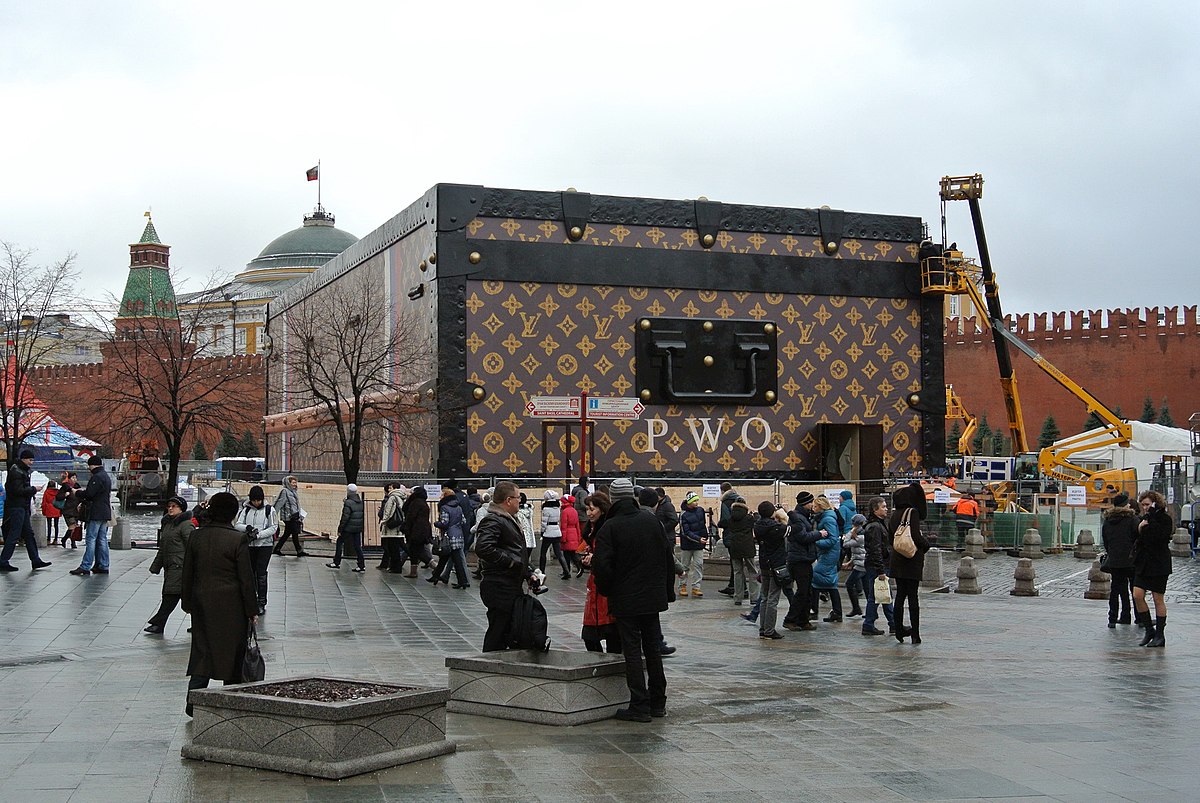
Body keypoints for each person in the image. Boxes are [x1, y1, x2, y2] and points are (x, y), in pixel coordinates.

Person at [591, 478, 675, 722]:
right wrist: (666, 591)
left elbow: (603, 566)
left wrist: (607, 590)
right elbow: (667, 557)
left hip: (626, 598)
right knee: (652, 649)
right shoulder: (651, 520)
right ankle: (658, 701)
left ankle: (639, 704)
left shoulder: (610, 526)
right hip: (652, 596)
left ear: (614, 499)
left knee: (632, 650)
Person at [181, 492, 258, 717]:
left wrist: (188, 602)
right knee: (233, 655)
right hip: (232, 606)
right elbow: (246, 578)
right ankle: (230, 702)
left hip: (202, 602)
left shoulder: (197, 537)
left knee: (202, 652)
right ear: (233, 514)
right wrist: (251, 610)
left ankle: (193, 701)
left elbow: (188, 573)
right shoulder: (237, 539)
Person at [475, 481, 542, 651]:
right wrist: (511, 562)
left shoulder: (508, 519)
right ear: (508, 500)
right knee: (498, 629)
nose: (520, 500)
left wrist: (527, 572)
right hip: (499, 585)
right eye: (518, 497)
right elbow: (483, 547)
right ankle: (489, 667)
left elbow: (514, 551)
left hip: (509, 583)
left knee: (508, 629)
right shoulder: (494, 520)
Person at [145, 495, 194, 633]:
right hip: (171, 567)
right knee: (186, 599)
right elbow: (163, 548)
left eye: (174, 506)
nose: (170, 509)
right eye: (169, 506)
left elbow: (192, 546)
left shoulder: (186, 525)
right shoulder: (168, 524)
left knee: (170, 596)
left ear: (181, 509)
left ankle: (158, 623)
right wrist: (156, 566)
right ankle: (199, 624)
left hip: (180, 567)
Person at [889, 482, 930, 644]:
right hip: (911, 559)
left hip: (897, 558)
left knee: (900, 596)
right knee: (913, 597)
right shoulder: (911, 512)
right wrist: (926, 546)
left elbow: (892, 536)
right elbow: (916, 536)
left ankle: (899, 630)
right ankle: (915, 634)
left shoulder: (894, 514)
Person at [579, 491, 620, 652]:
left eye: (592, 509)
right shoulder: (590, 529)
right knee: (590, 636)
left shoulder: (608, 528)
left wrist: (594, 558)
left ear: (602, 509)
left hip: (607, 587)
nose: (589, 513)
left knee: (611, 632)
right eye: (587, 509)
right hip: (594, 585)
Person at [1132, 490, 1173, 647]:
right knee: (1137, 594)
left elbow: (1160, 537)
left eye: (1148, 504)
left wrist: (1151, 520)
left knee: (1157, 598)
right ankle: (1149, 629)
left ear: (1155, 504)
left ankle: (1160, 635)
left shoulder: (1164, 519)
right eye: (1143, 505)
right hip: (1143, 563)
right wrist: (1140, 528)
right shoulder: (1143, 520)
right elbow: (1138, 540)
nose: (1145, 508)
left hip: (1159, 563)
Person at [0, 448, 52, 572]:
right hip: (17, 507)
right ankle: (3, 561)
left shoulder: (20, 470)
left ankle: (35, 560)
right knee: (15, 534)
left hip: (21, 506)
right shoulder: (17, 472)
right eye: (30, 460)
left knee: (28, 534)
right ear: (23, 459)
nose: (31, 462)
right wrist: (33, 489)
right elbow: (17, 491)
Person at [234, 485, 278, 615]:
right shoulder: (246, 510)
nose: (256, 503)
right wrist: (247, 528)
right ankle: (251, 599)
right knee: (250, 573)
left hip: (265, 545)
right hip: (250, 545)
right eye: (254, 500)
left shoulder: (270, 510)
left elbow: (273, 527)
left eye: (258, 500)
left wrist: (259, 535)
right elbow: (238, 524)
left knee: (261, 573)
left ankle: (261, 601)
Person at [67, 455, 113, 575]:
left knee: (91, 539)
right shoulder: (106, 476)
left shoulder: (96, 477)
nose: (89, 468)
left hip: (96, 512)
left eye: (89, 466)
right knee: (102, 539)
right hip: (105, 511)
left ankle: (85, 566)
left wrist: (77, 492)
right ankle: (103, 565)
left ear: (92, 465)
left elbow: (90, 494)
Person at [782, 491, 820, 631]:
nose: (812, 505)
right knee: (802, 591)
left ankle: (803, 620)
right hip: (798, 559)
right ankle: (790, 619)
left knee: (807, 591)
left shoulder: (803, 516)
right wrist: (818, 534)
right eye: (811, 503)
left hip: (805, 558)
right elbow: (802, 537)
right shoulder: (797, 518)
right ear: (805, 503)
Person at [753, 503, 789, 639]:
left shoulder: (758, 525)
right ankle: (769, 630)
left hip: (764, 563)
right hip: (776, 565)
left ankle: (763, 628)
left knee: (764, 597)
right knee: (773, 598)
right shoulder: (775, 528)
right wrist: (785, 514)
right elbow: (792, 529)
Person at [1101, 492, 1137, 628]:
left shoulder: (1108, 520)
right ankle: (1136, 617)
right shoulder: (1132, 519)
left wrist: (1112, 552)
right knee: (1135, 590)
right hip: (1131, 560)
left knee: (1116, 590)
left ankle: (1112, 618)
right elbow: (1136, 537)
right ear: (1125, 505)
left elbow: (1105, 540)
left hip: (1115, 560)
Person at [861, 497, 895, 636]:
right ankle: (870, 624)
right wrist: (881, 570)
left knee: (883, 596)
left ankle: (892, 624)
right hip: (876, 567)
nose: (886, 509)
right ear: (875, 510)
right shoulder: (875, 526)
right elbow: (875, 550)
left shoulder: (878, 524)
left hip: (878, 565)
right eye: (883, 507)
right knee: (878, 596)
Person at [812, 496, 844, 622]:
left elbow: (832, 539)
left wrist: (816, 540)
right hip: (828, 553)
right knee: (831, 583)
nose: (813, 509)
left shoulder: (828, 519)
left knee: (814, 577)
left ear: (821, 507)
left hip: (829, 554)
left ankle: (813, 610)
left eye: (815, 506)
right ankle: (837, 612)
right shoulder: (826, 517)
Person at [431, 484, 469, 588]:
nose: (440, 497)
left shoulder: (444, 508)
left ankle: (462, 582)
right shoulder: (458, 507)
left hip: (448, 536)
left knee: (454, 560)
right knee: (450, 559)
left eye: (442, 495)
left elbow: (444, 523)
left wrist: (436, 523)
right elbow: (464, 521)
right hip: (458, 536)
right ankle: (436, 576)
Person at [725, 496, 758, 607]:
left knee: (737, 572)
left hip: (735, 547)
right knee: (752, 571)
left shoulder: (731, 519)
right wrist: (755, 514)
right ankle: (754, 597)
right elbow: (756, 522)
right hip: (747, 546)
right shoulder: (749, 518)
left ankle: (737, 597)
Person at [327, 484, 366, 572]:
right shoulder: (360, 501)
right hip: (357, 527)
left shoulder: (348, 502)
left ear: (348, 491)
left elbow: (345, 517)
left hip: (348, 527)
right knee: (357, 546)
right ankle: (361, 565)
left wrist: (340, 529)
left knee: (340, 542)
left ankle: (336, 562)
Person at [678, 492, 707, 597]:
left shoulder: (700, 510)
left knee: (699, 565)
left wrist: (704, 538)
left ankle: (696, 587)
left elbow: (703, 525)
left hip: (699, 543)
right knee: (684, 566)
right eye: (694, 500)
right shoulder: (684, 514)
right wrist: (699, 539)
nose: (696, 502)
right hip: (688, 544)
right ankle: (682, 586)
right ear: (689, 502)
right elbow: (685, 532)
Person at [271, 476, 307, 557]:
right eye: (293, 482)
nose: (295, 484)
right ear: (288, 483)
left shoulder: (294, 491)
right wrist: (273, 514)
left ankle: (277, 549)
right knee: (294, 533)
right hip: (289, 517)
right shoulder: (285, 491)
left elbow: (296, 505)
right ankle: (299, 550)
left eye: (295, 482)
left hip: (294, 516)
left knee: (287, 533)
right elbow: (279, 503)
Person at [402, 487, 433, 577]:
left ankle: (436, 567)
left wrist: (406, 529)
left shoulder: (415, 503)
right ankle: (413, 571)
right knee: (415, 551)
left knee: (417, 551)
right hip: (423, 531)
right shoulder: (424, 503)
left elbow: (411, 517)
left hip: (415, 531)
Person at [537, 489, 569, 578]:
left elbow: (544, 522)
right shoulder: (557, 508)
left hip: (548, 532)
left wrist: (542, 531)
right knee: (559, 553)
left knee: (543, 553)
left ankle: (541, 572)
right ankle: (566, 571)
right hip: (556, 530)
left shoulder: (546, 508)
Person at [379, 483, 409, 573]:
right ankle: (396, 566)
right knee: (397, 547)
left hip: (391, 527)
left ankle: (395, 567)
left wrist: (383, 521)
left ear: (395, 488)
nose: (389, 489)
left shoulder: (392, 498)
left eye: (390, 488)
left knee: (393, 548)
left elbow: (388, 512)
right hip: (399, 526)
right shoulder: (403, 497)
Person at [843, 513, 867, 618]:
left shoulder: (860, 536)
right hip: (862, 564)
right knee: (867, 589)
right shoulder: (861, 535)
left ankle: (856, 608)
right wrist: (851, 561)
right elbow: (858, 552)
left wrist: (850, 531)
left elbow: (845, 543)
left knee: (849, 584)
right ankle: (869, 612)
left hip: (861, 566)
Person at [716, 482, 739, 595]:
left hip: (730, 534)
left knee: (734, 563)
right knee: (737, 562)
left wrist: (719, 524)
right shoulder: (739, 499)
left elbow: (725, 520)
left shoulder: (725, 502)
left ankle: (736, 587)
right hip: (740, 535)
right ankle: (733, 585)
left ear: (722, 491)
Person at [559, 494, 583, 578]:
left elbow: (563, 526)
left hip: (567, 535)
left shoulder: (565, 512)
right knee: (573, 553)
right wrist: (578, 536)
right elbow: (577, 525)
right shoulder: (574, 511)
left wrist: (563, 538)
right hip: (574, 534)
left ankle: (567, 571)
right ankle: (578, 567)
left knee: (567, 555)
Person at [516, 492, 536, 565]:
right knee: (526, 559)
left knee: (522, 561)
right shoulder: (530, 510)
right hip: (530, 539)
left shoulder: (518, 512)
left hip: (523, 539)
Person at [41, 479, 62, 546]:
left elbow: (44, 503)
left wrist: (43, 511)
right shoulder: (58, 492)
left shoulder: (46, 492)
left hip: (49, 509)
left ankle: (48, 539)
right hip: (57, 509)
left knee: (49, 525)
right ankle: (55, 540)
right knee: (56, 525)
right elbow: (61, 501)